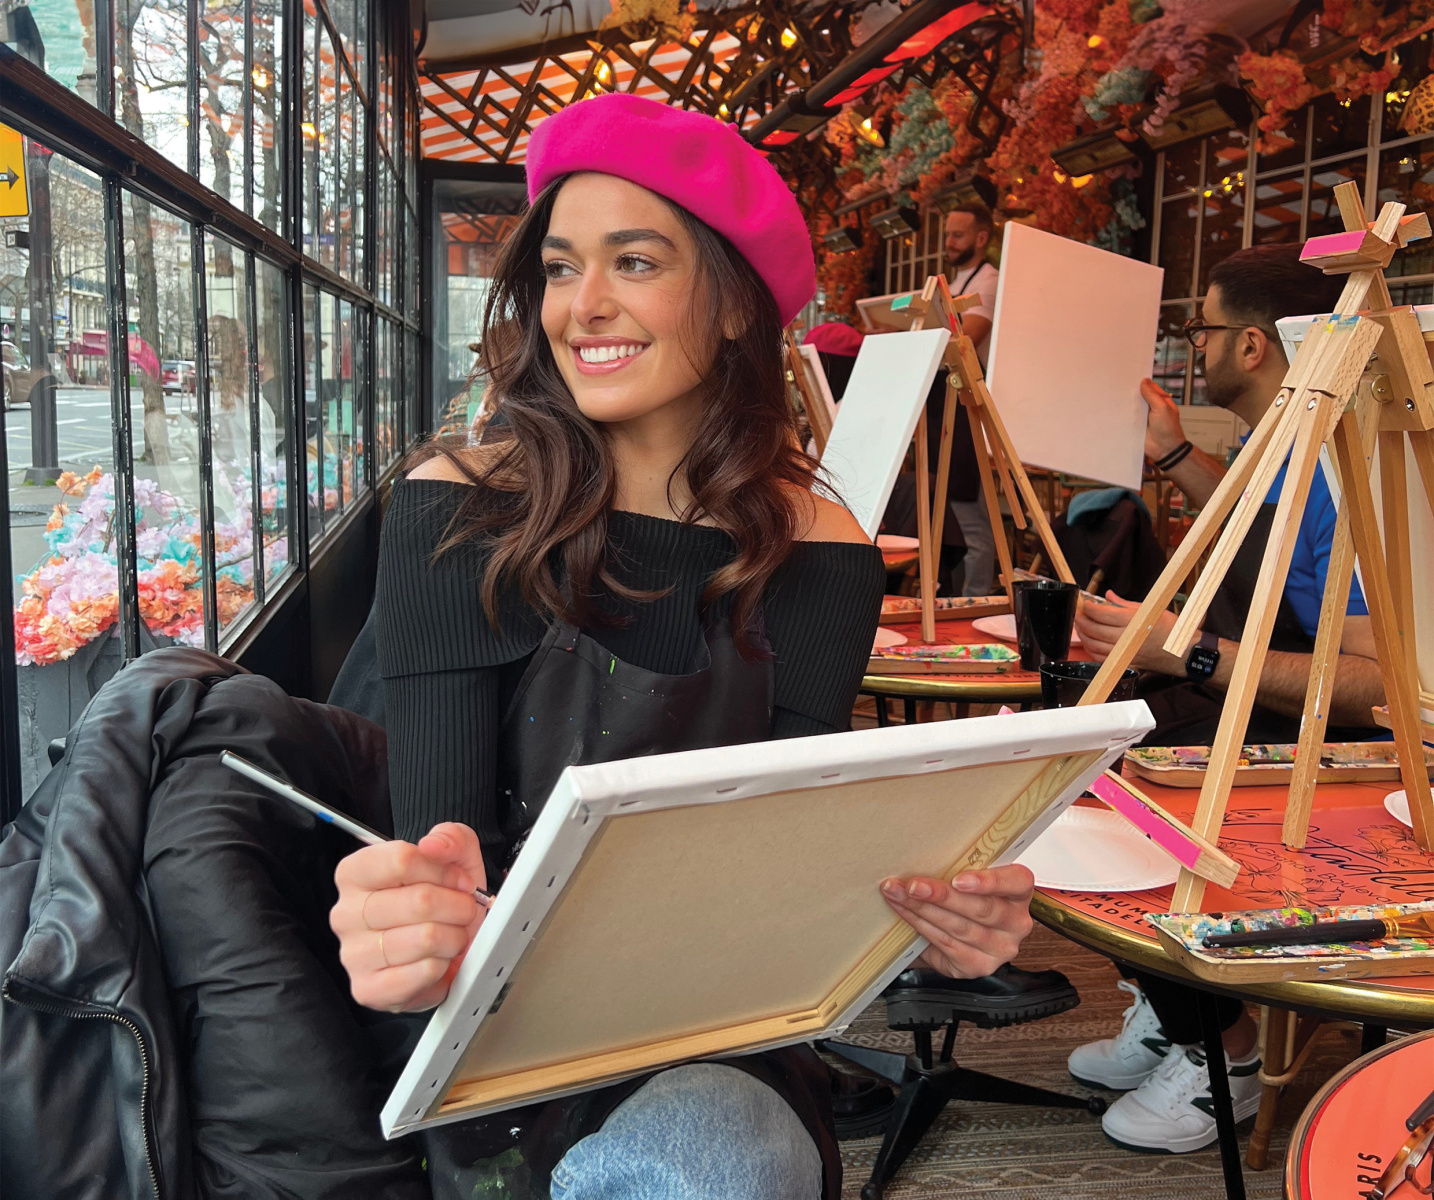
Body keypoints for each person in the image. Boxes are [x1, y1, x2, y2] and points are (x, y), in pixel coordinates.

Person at [326, 94, 1039, 1200]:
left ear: (739, 304)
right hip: (488, 1041)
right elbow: (439, 853)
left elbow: (785, 878)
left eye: (635, 262)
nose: (582, 307)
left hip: (707, 1036)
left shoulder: (824, 551)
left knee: (713, 1153)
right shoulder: (459, 507)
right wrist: (403, 925)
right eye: (559, 268)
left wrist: (926, 923)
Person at [1068, 243, 1382, 1155]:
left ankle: (1227, 1051)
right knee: (1070, 761)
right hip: (1242, 704)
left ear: (1251, 345)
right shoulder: (1278, 437)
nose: (1192, 344)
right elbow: (1256, 524)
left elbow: (1372, 685)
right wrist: (1171, 450)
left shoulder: (1342, 466)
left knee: (1113, 791)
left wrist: (1189, 650)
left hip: (1310, 738)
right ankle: (1173, 1007)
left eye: (1200, 327)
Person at [940, 202, 999, 596]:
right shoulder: (953, 281)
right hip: (944, 407)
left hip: (970, 410)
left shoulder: (990, 282)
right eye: (947, 234)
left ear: (981, 238)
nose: (949, 242)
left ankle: (976, 598)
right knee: (949, 514)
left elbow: (965, 339)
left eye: (957, 235)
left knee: (970, 517)